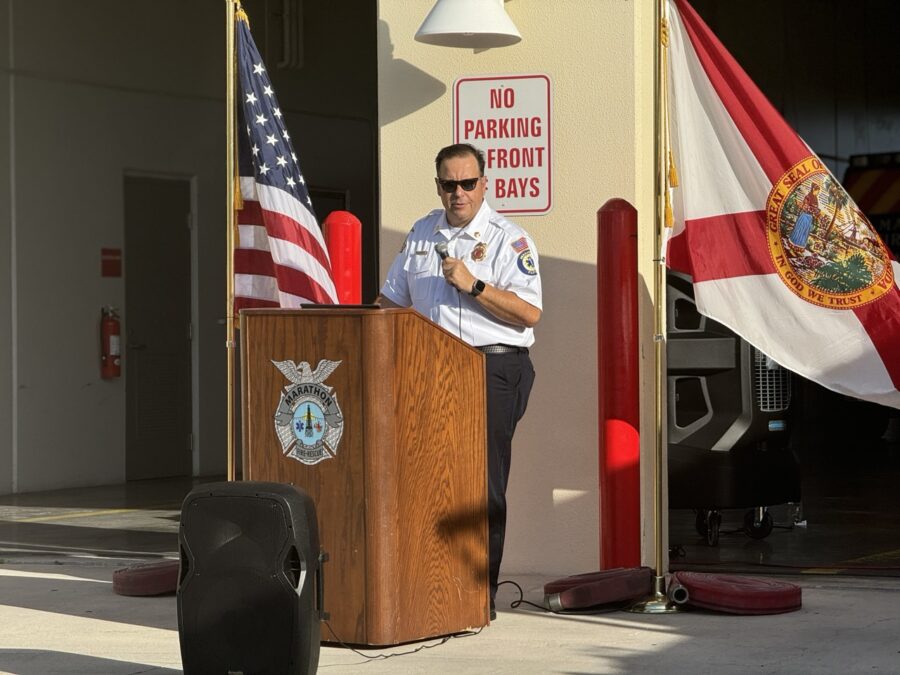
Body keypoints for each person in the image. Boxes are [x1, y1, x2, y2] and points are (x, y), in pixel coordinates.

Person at [378, 143, 542, 620]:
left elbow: (529, 312)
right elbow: (391, 303)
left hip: (491, 367)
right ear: (438, 186)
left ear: (484, 183)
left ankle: (478, 593)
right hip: (430, 369)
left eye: (468, 183)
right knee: (429, 480)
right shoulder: (421, 233)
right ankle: (434, 585)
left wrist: (473, 283)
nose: (459, 193)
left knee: (481, 486)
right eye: (449, 184)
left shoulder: (509, 239)